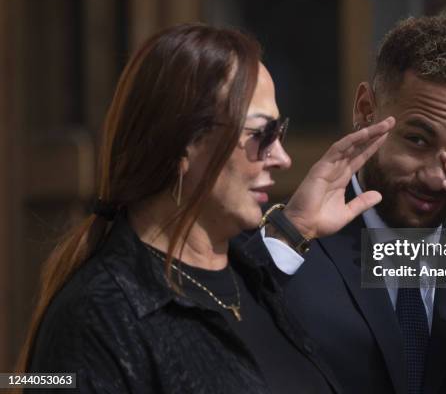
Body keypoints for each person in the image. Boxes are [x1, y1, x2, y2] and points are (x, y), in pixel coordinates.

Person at [16, 23, 395, 393]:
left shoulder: (249, 277)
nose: (281, 157)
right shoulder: (96, 314)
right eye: (260, 134)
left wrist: (296, 228)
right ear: (184, 144)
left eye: (280, 133)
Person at [256, 17, 446, 393]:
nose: (437, 176)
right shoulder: (284, 245)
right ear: (366, 108)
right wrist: (291, 234)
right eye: (418, 140)